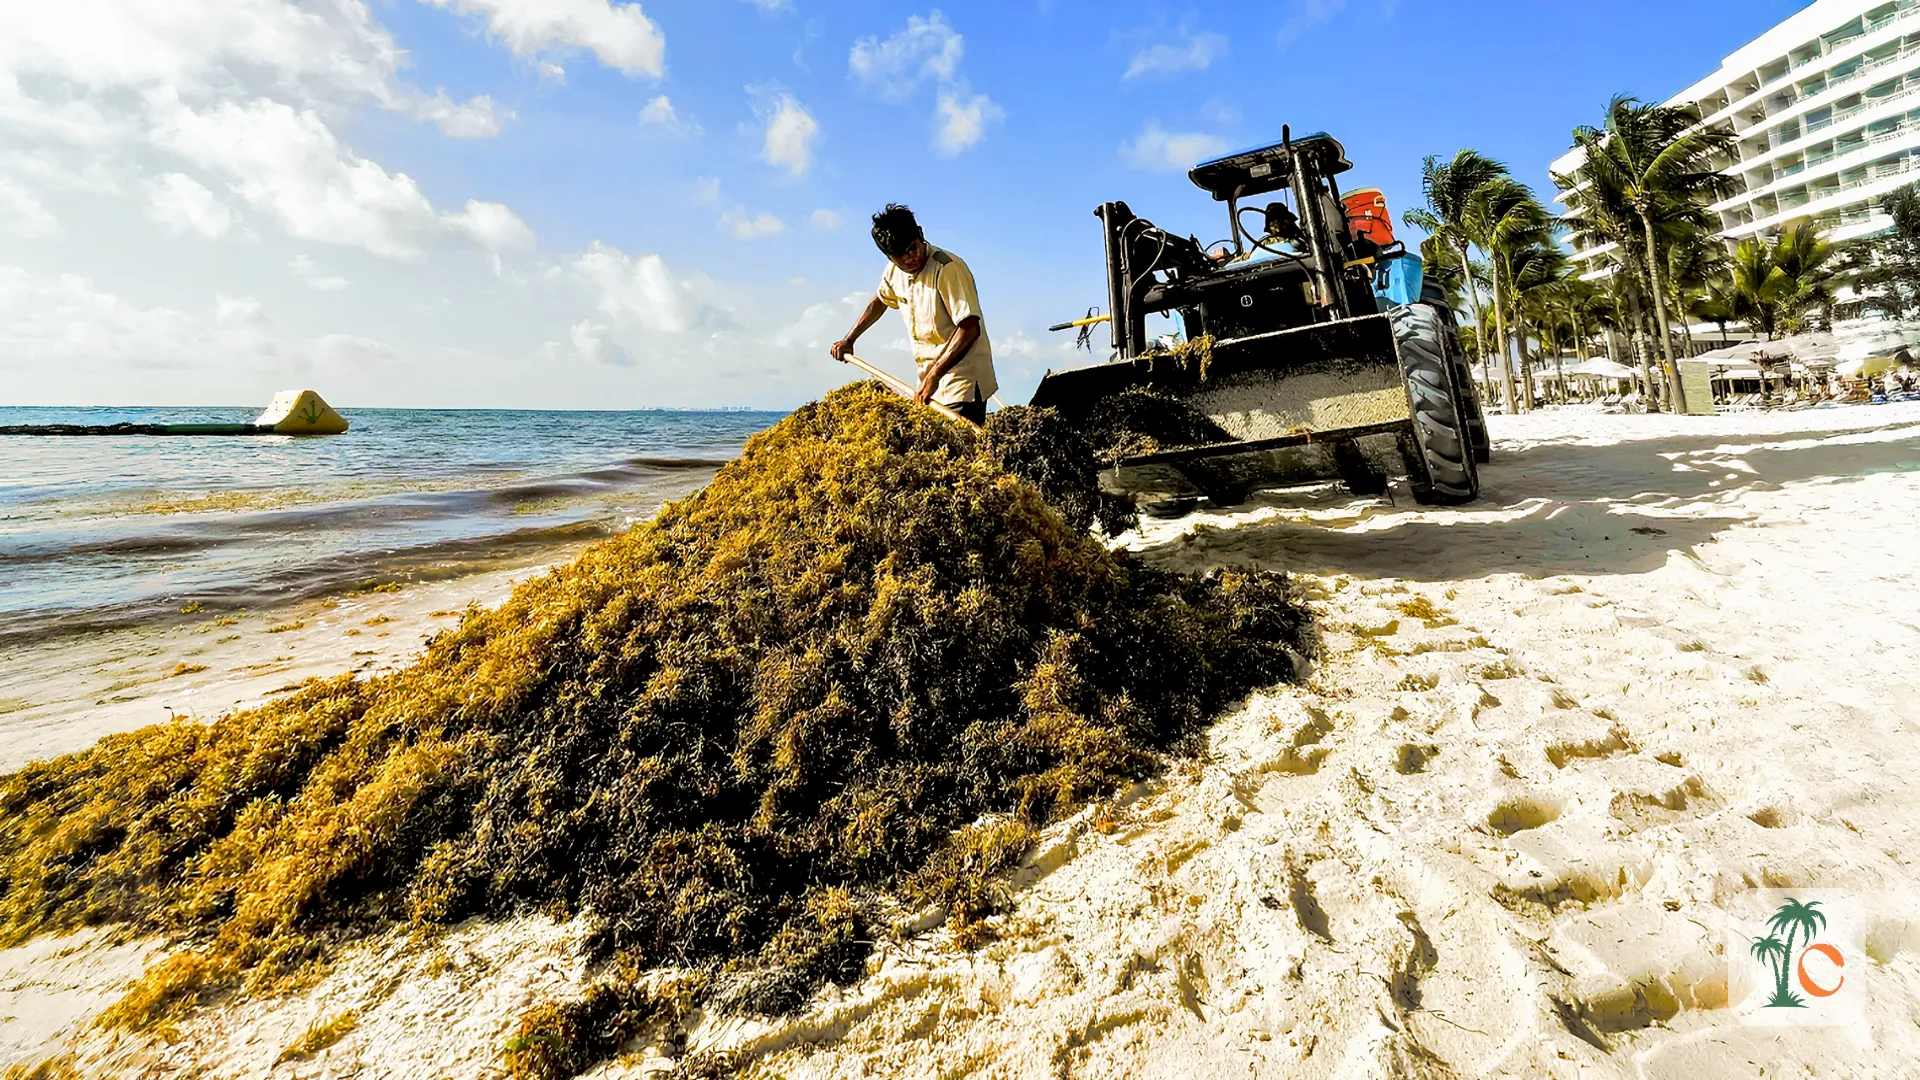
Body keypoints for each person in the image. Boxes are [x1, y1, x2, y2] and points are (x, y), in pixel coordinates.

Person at [831, 204, 997, 426]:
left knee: (958, 451)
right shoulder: (894, 272)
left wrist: (934, 376)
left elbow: (969, 329)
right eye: (899, 256)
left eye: (912, 248)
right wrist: (849, 339)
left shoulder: (946, 268)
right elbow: (880, 301)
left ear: (920, 234)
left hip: (961, 382)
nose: (909, 258)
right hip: (930, 383)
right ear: (889, 257)